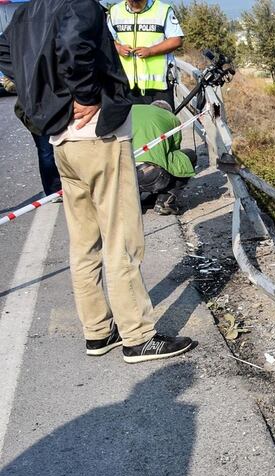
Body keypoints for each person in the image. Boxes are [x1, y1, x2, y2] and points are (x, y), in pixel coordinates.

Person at [0, 0, 195, 363]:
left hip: (62, 141)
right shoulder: (80, 5)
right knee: (122, 236)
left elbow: (6, 51)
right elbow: (74, 46)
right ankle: (138, 336)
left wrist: (42, 96)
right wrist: (84, 94)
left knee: (84, 240)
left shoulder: (27, 12)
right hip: (98, 138)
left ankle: (98, 332)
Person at [107, 0, 184, 107]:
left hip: (158, 87)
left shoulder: (163, 10)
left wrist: (151, 51)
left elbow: (176, 40)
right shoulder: (115, 11)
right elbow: (107, 39)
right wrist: (118, 48)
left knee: (158, 122)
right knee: (130, 123)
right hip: (125, 86)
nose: (135, 5)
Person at [0, 73, 63, 200]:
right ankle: (54, 191)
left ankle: (55, 191)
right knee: (47, 151)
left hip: (41, 106)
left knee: (48, 150)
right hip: (38, 108)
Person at [132, 101, 196, 215]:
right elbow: (174, 150)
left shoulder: (132, 109)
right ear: (167, 111)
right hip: (151, 175)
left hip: (121, 174)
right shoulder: (172, 118)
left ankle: (134, 201)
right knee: (187, 157)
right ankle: (165, 201)